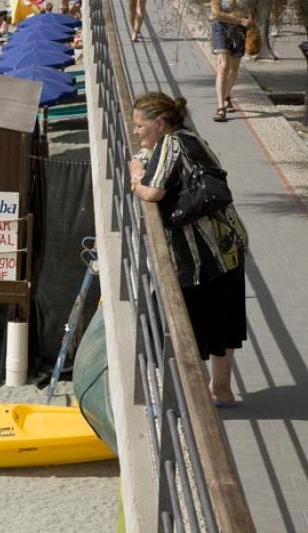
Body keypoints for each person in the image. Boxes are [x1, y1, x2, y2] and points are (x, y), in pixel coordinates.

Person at [129, 92, 247, 407]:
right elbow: (148, 157)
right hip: (227, 245)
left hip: (199, 257)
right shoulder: (189, 136)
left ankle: (187, 400)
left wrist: (136, 184)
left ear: (160, 123)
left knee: (177, 328)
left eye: (141, 126)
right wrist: (140, 161)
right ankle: (221, 390)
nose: (137, 132)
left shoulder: (172, 143)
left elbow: (154, 192)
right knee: (223, 323)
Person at [210, 0, 252, 122]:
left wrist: (250, 20)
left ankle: (226, 96)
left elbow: (251, 11)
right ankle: (220, 107)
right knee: (223, 67)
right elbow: (216, 14)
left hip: (239, 32)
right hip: (221, 30)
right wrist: (239, 20)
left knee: (234, 70)